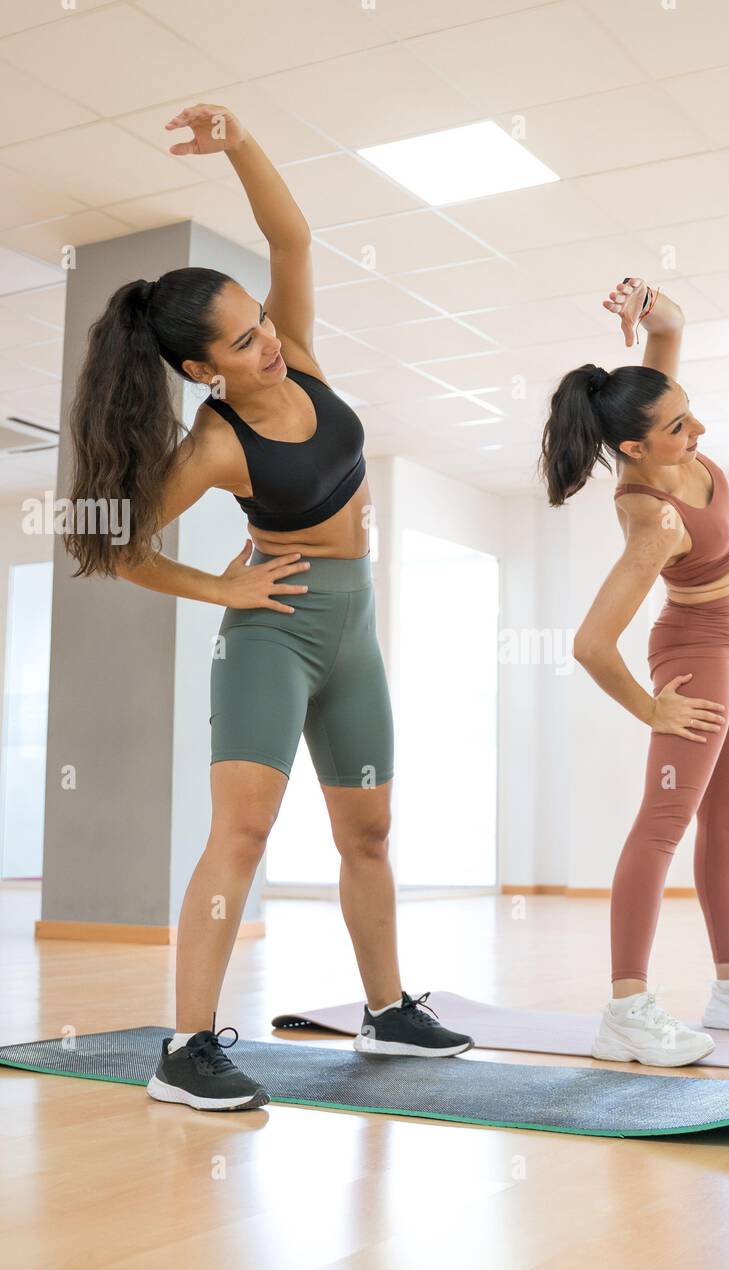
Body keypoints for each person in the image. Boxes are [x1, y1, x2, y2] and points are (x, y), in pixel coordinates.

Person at [64, 104, 472, 1112]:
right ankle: (186, 1046)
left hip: (354, 626)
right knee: (240, 835)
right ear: (202, 370)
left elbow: (291, 236)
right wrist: (223, 587)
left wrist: (239, 142)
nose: (270, 342)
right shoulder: (211, 446)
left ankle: (386, 1011)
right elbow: (112, 544)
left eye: (263, 322)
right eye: (243, 344)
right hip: (272, 634)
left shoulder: (304, 357)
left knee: (369, 832)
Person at [538, 276, 729, 1067]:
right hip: (694, 655)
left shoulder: (650, 420)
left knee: (726, 818)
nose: (700, 428)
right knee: (662, 827)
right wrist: (651, 710)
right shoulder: (649, 518)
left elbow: (666, 346)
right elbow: (591, 644)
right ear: (635, 450)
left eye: (689, 413)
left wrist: (652, 314)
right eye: (681, 427)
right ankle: (626, 1008)